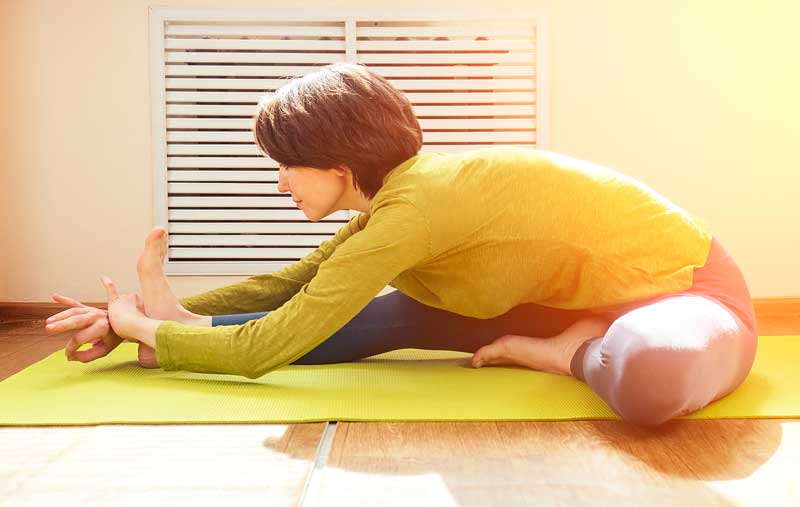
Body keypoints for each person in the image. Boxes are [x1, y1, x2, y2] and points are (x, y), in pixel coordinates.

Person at [44, 62, 758, 428]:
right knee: (377, 319)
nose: (280, 182)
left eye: (285, 163)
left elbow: (266, 347)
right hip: (537, 296)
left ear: (336, 162)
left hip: (686, 291)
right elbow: (292, 290)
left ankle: (569, 352)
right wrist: (142, 320)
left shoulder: (415, 205)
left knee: (654, 378)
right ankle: (178, 325)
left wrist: (147, 329)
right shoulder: (394, 201)